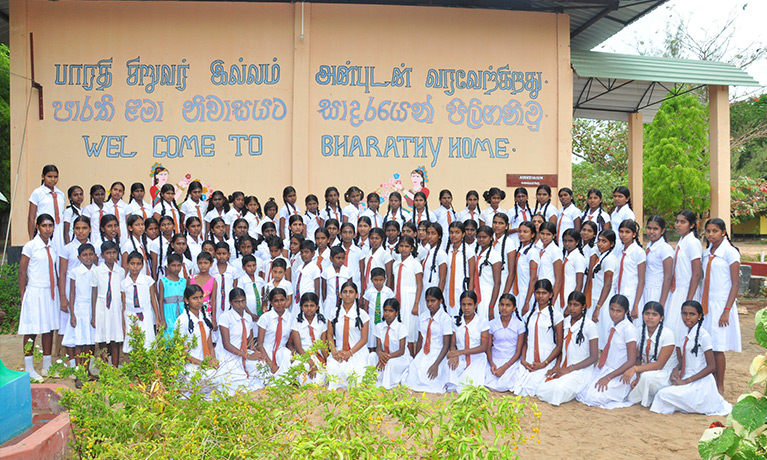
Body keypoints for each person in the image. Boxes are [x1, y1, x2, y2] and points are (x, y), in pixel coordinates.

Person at [650, 300, 732, 416]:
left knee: (663, 394)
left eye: (692, 314)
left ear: (699, 316)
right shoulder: (684, 335)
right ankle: (689, 403)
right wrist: (676, 369)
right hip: (686, 377)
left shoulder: (704, 336)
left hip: (700, 382)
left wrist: (686, 381)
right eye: (684, 314)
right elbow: (685, 360)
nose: (687, 317)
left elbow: (712, 367)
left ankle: (699, 404)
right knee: (661, 393)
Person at [701, 218, 741, 395]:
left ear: (723, 232)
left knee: (718, 347)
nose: (711, 234)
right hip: (706, 304)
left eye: (715, 231)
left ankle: (720, 385)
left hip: (721, 305)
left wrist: (727, 310)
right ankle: (708, 383)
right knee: (706, 345)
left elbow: (735, 284)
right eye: (708, 231)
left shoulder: (730, 253)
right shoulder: (707, 252)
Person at [537, 291, 599, 405]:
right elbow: (561, 348)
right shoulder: (565, 322)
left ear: (584, 306)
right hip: (563, 366)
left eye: (576, 305)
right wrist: (557, 365)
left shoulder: (590, 326)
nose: (571, 308)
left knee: (559, 389)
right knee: (541, 386)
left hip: (580, 369)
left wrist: (570, 369)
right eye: (569, 304)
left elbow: (594, 357)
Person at [576, 294, 637, 409]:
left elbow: (631, 360)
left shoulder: (629, 330)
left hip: (620, 373)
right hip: (605, 368)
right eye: (612, 309)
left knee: (593, 398)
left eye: (618, 311)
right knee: (581, 391)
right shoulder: (612, 325)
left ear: (626, 311)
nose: (614, 314)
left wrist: (608, 377)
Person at [18, 214, 60, 381]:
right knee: (32, 330)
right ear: (37, 227)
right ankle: (29, 368)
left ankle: (47, 365)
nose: (47, 229)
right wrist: (23, 295)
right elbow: (22, 271)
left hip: (50, 292)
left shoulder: (53, 246)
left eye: (50, 225)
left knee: (49, 329)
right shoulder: (31, 246)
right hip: (35, 292)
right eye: (44, 225)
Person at [514, 280, 563, 397]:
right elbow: (526, 341)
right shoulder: (529, 316)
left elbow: (559, 345)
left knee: (533, 386)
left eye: (544, 293)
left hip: (546, 359)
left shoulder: (557, 316)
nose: (540, 296)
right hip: (529, 358)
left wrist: (544, 364)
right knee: (515, 382)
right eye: (538, 292)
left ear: (551, 294)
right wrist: (523, 359)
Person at [625, 302, 677, 407]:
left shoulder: (668, 334)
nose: (650, 317)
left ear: (661, 318)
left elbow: (659, 365)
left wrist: (635, 369)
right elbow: (638, 358)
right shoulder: (639, 331)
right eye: (647, 313)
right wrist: (637, 377)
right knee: (628, 378)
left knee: (647, 377)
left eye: (654, 314)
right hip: (644, 370)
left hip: (664, 373)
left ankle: (643, 398)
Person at [216, 288, 265, 394]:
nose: (240, 304)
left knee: (261, 366)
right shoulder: (225, 317)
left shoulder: (248, 317)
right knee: (235, 380)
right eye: (236, 302)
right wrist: (248, 356)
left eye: (243, 301)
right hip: (228, 354)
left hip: (243, 352)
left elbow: (250, 342)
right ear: (230, 302)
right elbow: (226, 345)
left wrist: (256, 354)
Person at [405, 287, 453, 393]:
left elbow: (446, 345)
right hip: (424, 351)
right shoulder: (423, 317)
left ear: (440, 301)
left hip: (439, 353)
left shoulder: (445, 318)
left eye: (433, 301)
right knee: (413, 371)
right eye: (427, 301)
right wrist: (416, 357)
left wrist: (436, 364)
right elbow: (420, 340)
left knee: (431, 379)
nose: (430, 304)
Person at [326, 281, 371, 390]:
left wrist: (350, 353)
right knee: (333, 371)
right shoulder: (333, 313)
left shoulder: (363, 314)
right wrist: (334, 352)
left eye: (351, 292)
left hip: (356, 351)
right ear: (340, 295)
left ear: (356, 295)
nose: (347, 294)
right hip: (339, 351)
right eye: (345, 292)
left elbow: (364, 339)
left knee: (357, 375)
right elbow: (330, 335)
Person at [665, 210, 702, 341]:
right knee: (672, 328)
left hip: (687, 290)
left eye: (683, 222)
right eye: (677, 221)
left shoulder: (693, 242)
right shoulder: (682, 241)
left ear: (691, 225)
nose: (678, 225)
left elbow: (696, 273)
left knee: (681, 330)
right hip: (677, 290)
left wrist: (689, 300)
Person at [175, 285, 219, 392]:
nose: (199, 301)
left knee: (220, 376)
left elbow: (209, 345)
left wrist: (213, 360)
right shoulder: (182, 321)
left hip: (205, 362)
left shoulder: (206, 317)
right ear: (186, 300)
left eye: (201, 297)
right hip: (191, 365)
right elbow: (180, 351)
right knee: (210, 380)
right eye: (195, 298)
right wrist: (201, 363)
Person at [90, 241, 125, 367]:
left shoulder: (121, 271)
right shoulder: (97, 271)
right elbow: (94, 293)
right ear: (102, 255)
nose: (111, 256)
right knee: (103, 339)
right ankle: (105, 369)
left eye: (114, 252)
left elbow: (122, 293)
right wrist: (93, 315)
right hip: (102, 307)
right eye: (108, 253)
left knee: (116, 340)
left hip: (116, 306)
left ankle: (115, 368)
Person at [447, 291, 489, 392]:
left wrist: (460, 352)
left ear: (475, 305)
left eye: (469, 304)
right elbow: (452, 343)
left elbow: (483, 347)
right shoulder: (455, 321)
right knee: (450, 380)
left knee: (471, 386)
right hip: (460, 359)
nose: (466, 308)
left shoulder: (482, 322)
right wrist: (455, 355)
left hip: (477, 359)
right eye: (463, 304)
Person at [484, 293, 525, 392]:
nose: (504, 308)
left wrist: (505, 367)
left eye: (508, 305)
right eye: (502, 304)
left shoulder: (519, 325)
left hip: (511, 361)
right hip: (494, 360)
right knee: (486, 382)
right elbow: (488, 348)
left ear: (514, 308)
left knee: (506, 384)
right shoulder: (492, 324)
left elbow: (518, 351)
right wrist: (492, 363)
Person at [121, 252, 159, 353]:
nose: (135, 267)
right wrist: (123, 323)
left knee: (147, 343)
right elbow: (123, 304)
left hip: (145, 314)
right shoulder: (124, 283)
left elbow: (153, 299)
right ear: (127, 264)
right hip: (130, 315)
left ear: (142, 265)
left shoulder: (147, 280)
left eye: (138, 264)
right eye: (132, 263)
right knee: (133, 344)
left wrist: (157, 318)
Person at [368, 298, 411, 389]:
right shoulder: (379, 326)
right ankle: (371, 380)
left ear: (396, 312)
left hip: (399, 357)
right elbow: (378, 347)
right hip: (385, 356)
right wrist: (380, 354)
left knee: (390, 362)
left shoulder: (401, 327)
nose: (387, 313)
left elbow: (401, 351)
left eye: (391, 311)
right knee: (372, 355)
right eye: (385, 310)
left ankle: (386, 385)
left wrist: (387, 357)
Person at [391, 235, 423, 355]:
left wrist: (416, 304)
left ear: (412, 248)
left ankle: (410, 358)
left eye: (407, 246)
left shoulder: (415, 264)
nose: (404, 249)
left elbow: (419, 285)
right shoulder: (395, 263)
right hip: (397, 298)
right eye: (401, 246)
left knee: (409, 331)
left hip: (409, 299)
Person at [256, 288, 294, 380]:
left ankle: (284, 380)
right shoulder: (265, 318)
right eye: (276, 301)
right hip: (265, 352)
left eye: (282, 300)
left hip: (281, 351)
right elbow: (259, 345)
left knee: (287, 355)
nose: (279, 303)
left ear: (286, 300)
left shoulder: (291, 318)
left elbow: (290, 342)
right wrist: (270, 363)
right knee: (263, 374)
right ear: (271, 303)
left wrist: (293, 353)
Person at [290, 292, 328, 386]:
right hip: (303, 355)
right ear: (301, 307)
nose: (309, 308)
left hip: (317, 355)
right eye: (306, 306)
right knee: (301, 374)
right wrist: (310, 362)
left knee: (318, 382)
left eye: (312, 305)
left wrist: (327, 360)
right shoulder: (296, 323)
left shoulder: (321, 323)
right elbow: (298, 347)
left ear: (317, 306)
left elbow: (322, 346)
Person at [614, 220, 646, 327]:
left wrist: (636, 304)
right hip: (619, 292)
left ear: (634, 234)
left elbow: (641, 280)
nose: (623, 235)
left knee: (631, 327)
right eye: (621, 231)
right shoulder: (619, 250)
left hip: (632, 295)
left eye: (627, 232)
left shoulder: (638, 252)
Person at [27, 165, 66, 252]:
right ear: (43, 176)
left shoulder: (60, 194)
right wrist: (31, 239)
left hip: (59, 231)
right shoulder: (37, 193)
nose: (53, 179)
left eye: (55, 177)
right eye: (49, 176)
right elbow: (31, 217)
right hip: (45, 230)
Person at [590, 230, 618, 348]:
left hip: (604, 301)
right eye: (599, 241)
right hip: (597, 298)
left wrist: (598, 307)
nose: (600, 244)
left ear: (611, 244)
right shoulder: (603, 257)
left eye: (604, 241)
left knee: (602, 338)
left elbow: (607, 285)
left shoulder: (610, 260)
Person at [507, 222, 539, 315]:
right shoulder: (521, 250)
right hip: (518, 293)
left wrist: (527, 302)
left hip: (527, 294)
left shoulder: (532, 252)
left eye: (525, 232)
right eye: (520, 231)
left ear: (532, 234)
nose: (521, 234)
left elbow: (533, 279)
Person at [444, 222, 475, 317]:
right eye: (451, 232)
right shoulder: (447, 250)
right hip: (447, 290)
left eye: (457, 232)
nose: (454, 235)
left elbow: (472, 276)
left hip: (461, 290)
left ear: (463, 234)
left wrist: (469, 296)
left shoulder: (469, 252)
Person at [643, 216, 674, 308]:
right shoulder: (649, 246)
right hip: (646, 288)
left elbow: (668, 277)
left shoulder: (665, 249)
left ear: (662, 231)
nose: (651, 232)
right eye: (649, 228)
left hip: (657, 290)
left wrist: (662, 303)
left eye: (655, 229)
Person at [473, 225, 502, 321]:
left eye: (484, 237)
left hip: (488, 295)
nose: (481, 239)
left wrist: (491, 305)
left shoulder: (495, 255)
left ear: (491, 237)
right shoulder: (476, 253)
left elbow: (497, 283)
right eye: (479, 237)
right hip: (477, 293)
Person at [362, 268, 395, 349]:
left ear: (385, 279)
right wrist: (366, 317)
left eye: (381, 280)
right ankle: (372, 354)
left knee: (382, 338)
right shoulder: (369, 291)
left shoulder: (388, 291)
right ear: (371, 280)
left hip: (384, 319)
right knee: (371, 339)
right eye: (375, 280)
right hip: (372, 319)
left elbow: (392, 304)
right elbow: (366, 305)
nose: (378, 282)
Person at [157, 254, 186, 340]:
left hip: (181, 311)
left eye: (178, 265)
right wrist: (162, 319)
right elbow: (161, 300)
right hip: (168, 312)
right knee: (169, 334)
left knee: (181, 333)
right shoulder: (163, 281)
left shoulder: (184, 281)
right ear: (168, 266)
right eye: (173, 265)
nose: (176, 268)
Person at [536, 222, 563, 312]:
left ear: (554, 235)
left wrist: (552, 301)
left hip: (549, 292)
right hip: (539, 290)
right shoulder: (539, 249)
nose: (544, 237)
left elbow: (558, 279)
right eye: (542, 233)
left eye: (548, 234)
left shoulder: (555, 251)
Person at [321, 246, 352, 319]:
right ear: (331, 258)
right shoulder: (326, 272)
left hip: (344, 301)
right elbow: (324, 290)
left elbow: (351, 288)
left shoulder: (348, 272)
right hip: (330, 302)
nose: (341, 260)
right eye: (338, 258)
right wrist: (326, 301)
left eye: (343, 258)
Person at [291, 240, 321, 314]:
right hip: (298, 301)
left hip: (309, 301)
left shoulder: (315, 268)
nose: (304, 255)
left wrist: (316, 303)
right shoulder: (300, 267)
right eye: (302, 252)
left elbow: (317, 289)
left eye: (306, 252)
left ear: (313, 254)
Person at [560, 229, 586, 313]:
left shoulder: (578, 258)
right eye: (565, 241)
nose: (567, 244)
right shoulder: (565, 256)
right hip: (561, 294)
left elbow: (579, 284)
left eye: (570, 241)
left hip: (570, 294)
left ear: (577, 242)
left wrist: (571, 305)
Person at [610, 186, 635, 253]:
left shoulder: (628, 213)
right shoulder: (614, 212)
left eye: (620, 196)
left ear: (627, 199)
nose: (617, 199)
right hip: (613, 242)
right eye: (615, 196)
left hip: (622, 243)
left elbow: (628, 231)